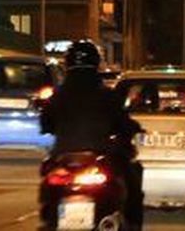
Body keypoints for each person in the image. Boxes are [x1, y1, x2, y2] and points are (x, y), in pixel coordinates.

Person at [39, 40, 143, 229]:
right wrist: (131, 129)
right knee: (132, 179)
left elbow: (45, 124)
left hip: (64, 157)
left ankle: (51, 221)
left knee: (48, 180)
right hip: (100, 155)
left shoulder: (58, 95)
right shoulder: (106, 95)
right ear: (96, 63)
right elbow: (122, 122)